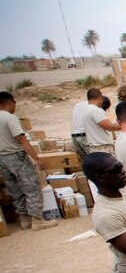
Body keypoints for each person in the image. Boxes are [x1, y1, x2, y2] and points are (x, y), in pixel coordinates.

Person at [0, 91, 57, 231]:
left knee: (15, 189)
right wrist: (36, 158)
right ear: (9, 102)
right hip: (16, 156)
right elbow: (21, 139)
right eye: (14, 103)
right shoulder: (10, 118)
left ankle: (24, 219)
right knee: (31, 187)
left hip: (2, 158)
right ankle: (37, 219)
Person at [84, 90, 120, 154]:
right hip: (102, 148)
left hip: (95, 148)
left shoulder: (86, 109)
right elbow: (109, 127)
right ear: (100, 98)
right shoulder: (95, 110)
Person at [70, 89, 96, 160]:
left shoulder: (78, 105)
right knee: (94, 160)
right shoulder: (92, 106)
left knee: (86, 162)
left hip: (74, 136)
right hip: (83, 136)